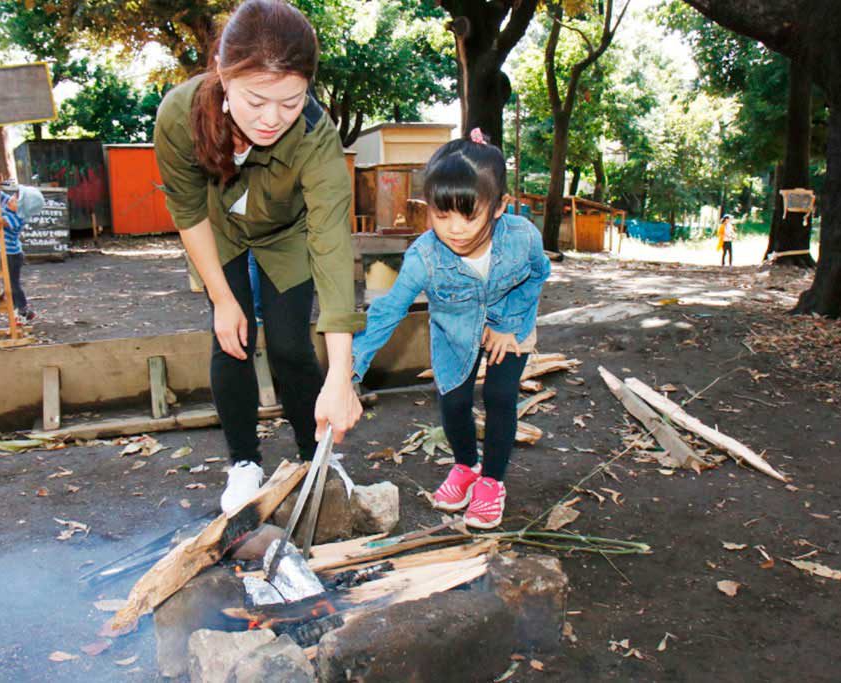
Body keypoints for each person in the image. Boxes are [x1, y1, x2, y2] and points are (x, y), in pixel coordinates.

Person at [154, 0, 364, 514]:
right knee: (232, 338)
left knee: (293, 343)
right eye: (256, 101)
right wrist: (223, 299)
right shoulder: (178, 117)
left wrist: (341, 374)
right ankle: (244, 462)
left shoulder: (316, 136)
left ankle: (317, 457)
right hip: (216, 228)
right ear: (224, 77)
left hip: (286, 233)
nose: (272, 119)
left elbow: (332, 244)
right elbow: (187, 214)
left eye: (290, 102)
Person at [351, 129, 552, 529]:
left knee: (499, 396)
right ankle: (465, 466)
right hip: (454, 329)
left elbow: (537, 275)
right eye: (441, 215)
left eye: (469, 214)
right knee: (454, 402)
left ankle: (492, 482)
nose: (455, 229)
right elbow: (388, 309)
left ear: (499, 207)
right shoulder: (423, 255)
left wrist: (508, 325)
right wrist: (349, 371)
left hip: (511, 324)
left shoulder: (522, 237)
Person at [0, 184, 45, 323]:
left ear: (21, 210)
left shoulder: (17, 219)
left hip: (11, 256)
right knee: (7, 282)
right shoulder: (10, 204)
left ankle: (23, 310)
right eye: (13, 196)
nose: (11, 199)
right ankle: (14, 308)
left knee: (13, 284)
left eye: (15, 200)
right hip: (4, 252)